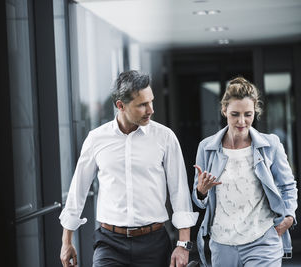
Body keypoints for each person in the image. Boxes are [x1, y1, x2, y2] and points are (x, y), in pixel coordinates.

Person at [59, 70, 199, 267]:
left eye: (151, 102)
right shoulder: (96, 139)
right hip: (110, 243)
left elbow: (179, 192)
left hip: (154, 243)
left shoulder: (165, 137)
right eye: (142, 105)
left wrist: (183, 245)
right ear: (120, 105)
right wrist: (66, 241)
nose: (150, 110)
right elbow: (78, 190)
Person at [192, 77, 298, 267]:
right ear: (224, 110)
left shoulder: (270, 145)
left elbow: (287, 185)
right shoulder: (206, 148)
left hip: (262, 240)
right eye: (235, 114)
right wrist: (201, 191)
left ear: (255, 111)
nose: (242, 121)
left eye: (248, 114)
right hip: (222, 243)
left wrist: (289, 216)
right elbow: (198, 199)